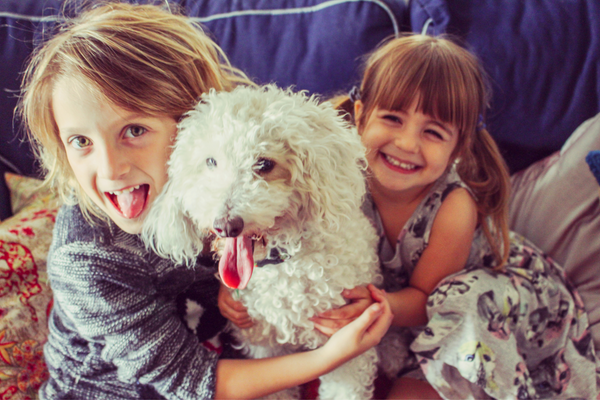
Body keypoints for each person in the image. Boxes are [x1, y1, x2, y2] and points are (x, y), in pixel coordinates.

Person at [18, 3, 392, 399]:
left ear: (189, 121)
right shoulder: (88, 260)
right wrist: (332, 356)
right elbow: (191, 382)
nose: (111, 168)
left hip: (227, 351)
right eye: (81, 141)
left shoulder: (226, 154)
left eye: (134, 130)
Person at [219, 34, 600, 399]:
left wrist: (373, 307)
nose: (406, 144)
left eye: (433, 132)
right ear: (361, 113)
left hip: (459, 301)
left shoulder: (453, 208)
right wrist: (236, 283)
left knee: (462, 314)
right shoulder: (334, 174)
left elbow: (426, 300)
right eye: (393, 119)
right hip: (389, 303)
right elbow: (272, 232)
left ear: (457, 149)